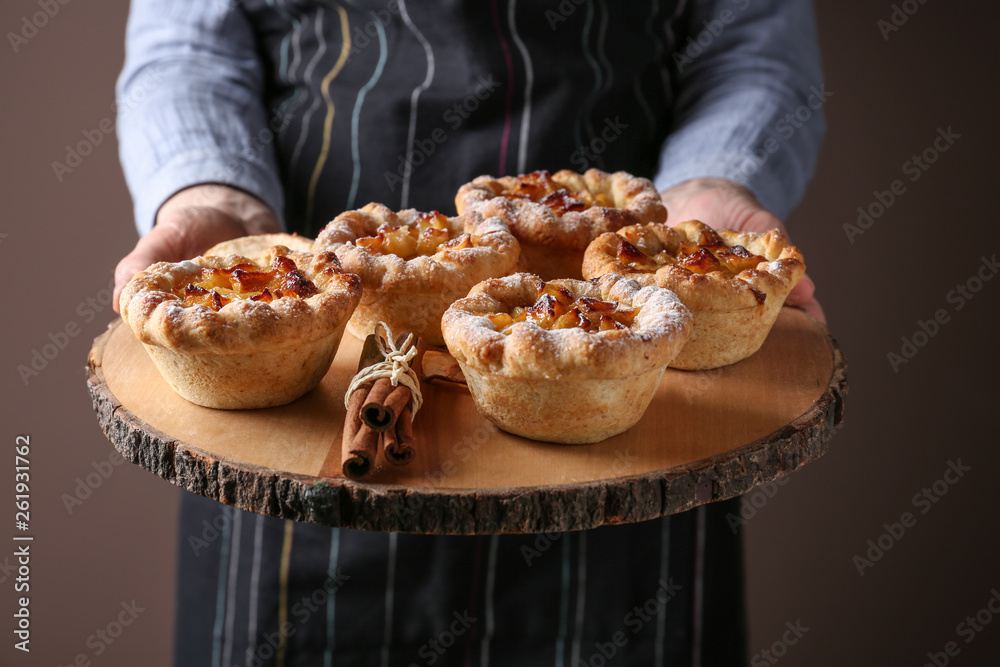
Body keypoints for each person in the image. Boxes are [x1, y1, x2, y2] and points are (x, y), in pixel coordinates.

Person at [112, 0, 825, 664]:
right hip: (308, 436)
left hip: (633, 469)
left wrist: (713, 186)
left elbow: (749, 46)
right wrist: (214, 195)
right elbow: (189, 50)